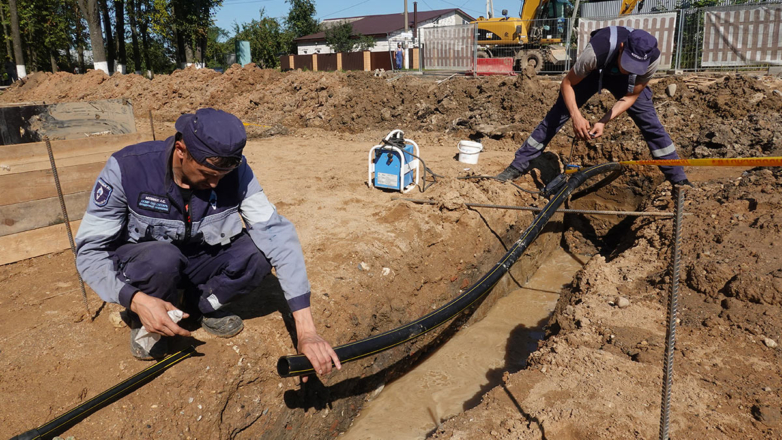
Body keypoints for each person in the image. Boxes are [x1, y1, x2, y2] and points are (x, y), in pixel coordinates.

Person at [75, 108, 341, 381]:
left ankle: (195, 307)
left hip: (198, 261)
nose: (215, 182)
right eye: (206, 172)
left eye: (223, 174)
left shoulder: (236, 173)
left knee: (257, 254)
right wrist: (135, 300)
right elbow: (89, 251)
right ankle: (147, 318)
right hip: (150, 267)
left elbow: (276, 234)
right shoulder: (128, 169)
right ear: (181, 150)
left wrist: (307, 333)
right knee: (162, 259)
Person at [496, 27, 691, 187]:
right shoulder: (597, 51)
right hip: (594, 72)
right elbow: (567, 84)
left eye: (635, 66)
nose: (630, 68)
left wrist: (604, 121)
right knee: (557, 115)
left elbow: (631, 96)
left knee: (650, 122)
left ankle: (678, 178)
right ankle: (517, 165)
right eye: (628, 63)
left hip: (626, 82)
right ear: (622, 48)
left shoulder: (651, 59)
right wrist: (576, 116)